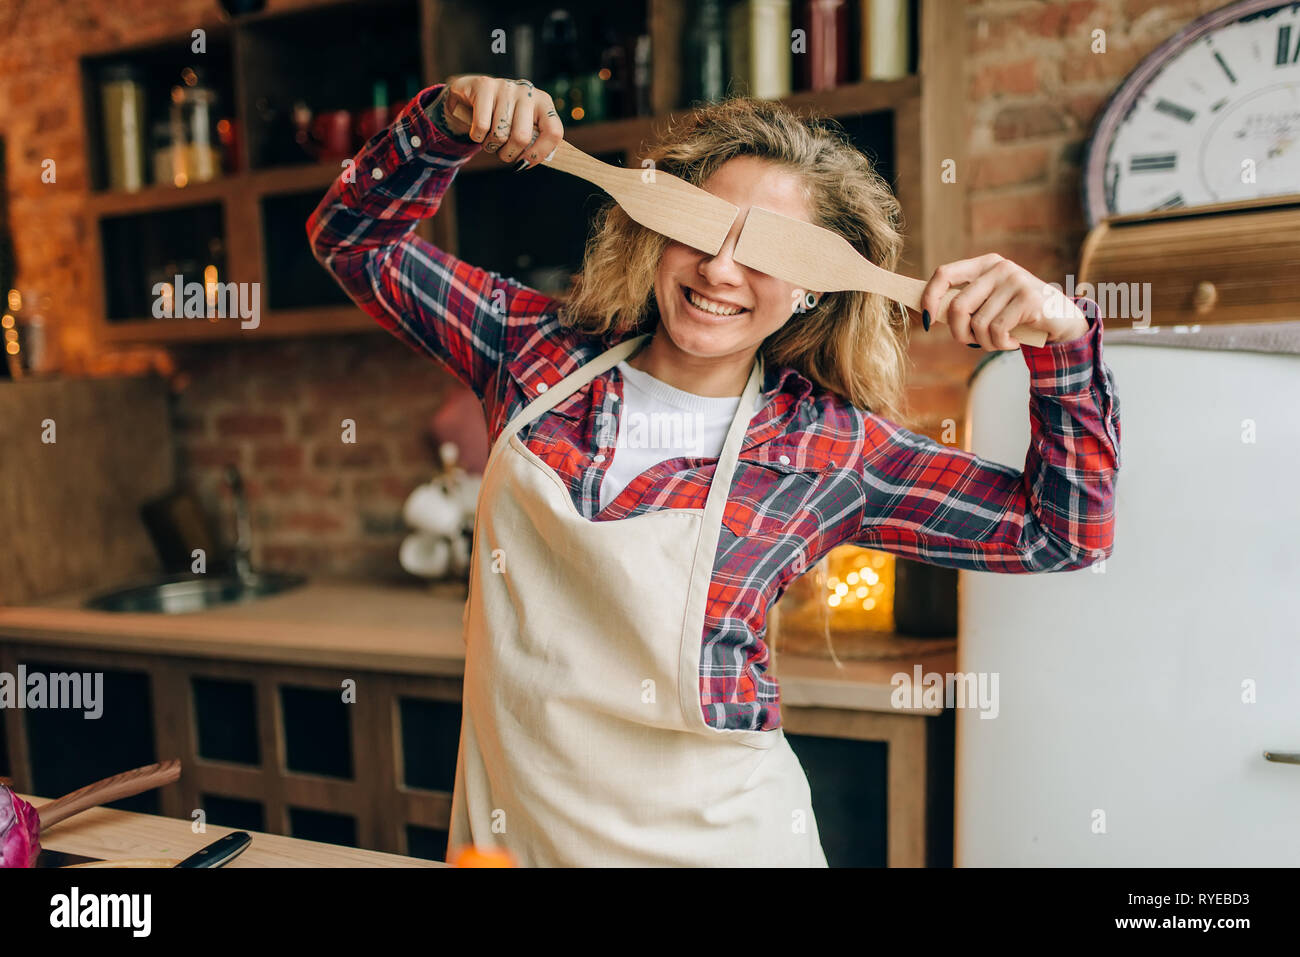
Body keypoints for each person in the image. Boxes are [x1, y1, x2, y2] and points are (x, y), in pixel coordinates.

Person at [307, 75, 1121, 867]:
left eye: (769, 250)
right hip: (517, 841)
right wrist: (442, 125)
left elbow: (1064, 535)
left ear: (812, 289)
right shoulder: (531, 352)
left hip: (726, 844)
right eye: (701, 226)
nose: (721, 270)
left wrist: (1064, 342)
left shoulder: (832, 447)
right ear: (656, 228)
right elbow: (351, 239)